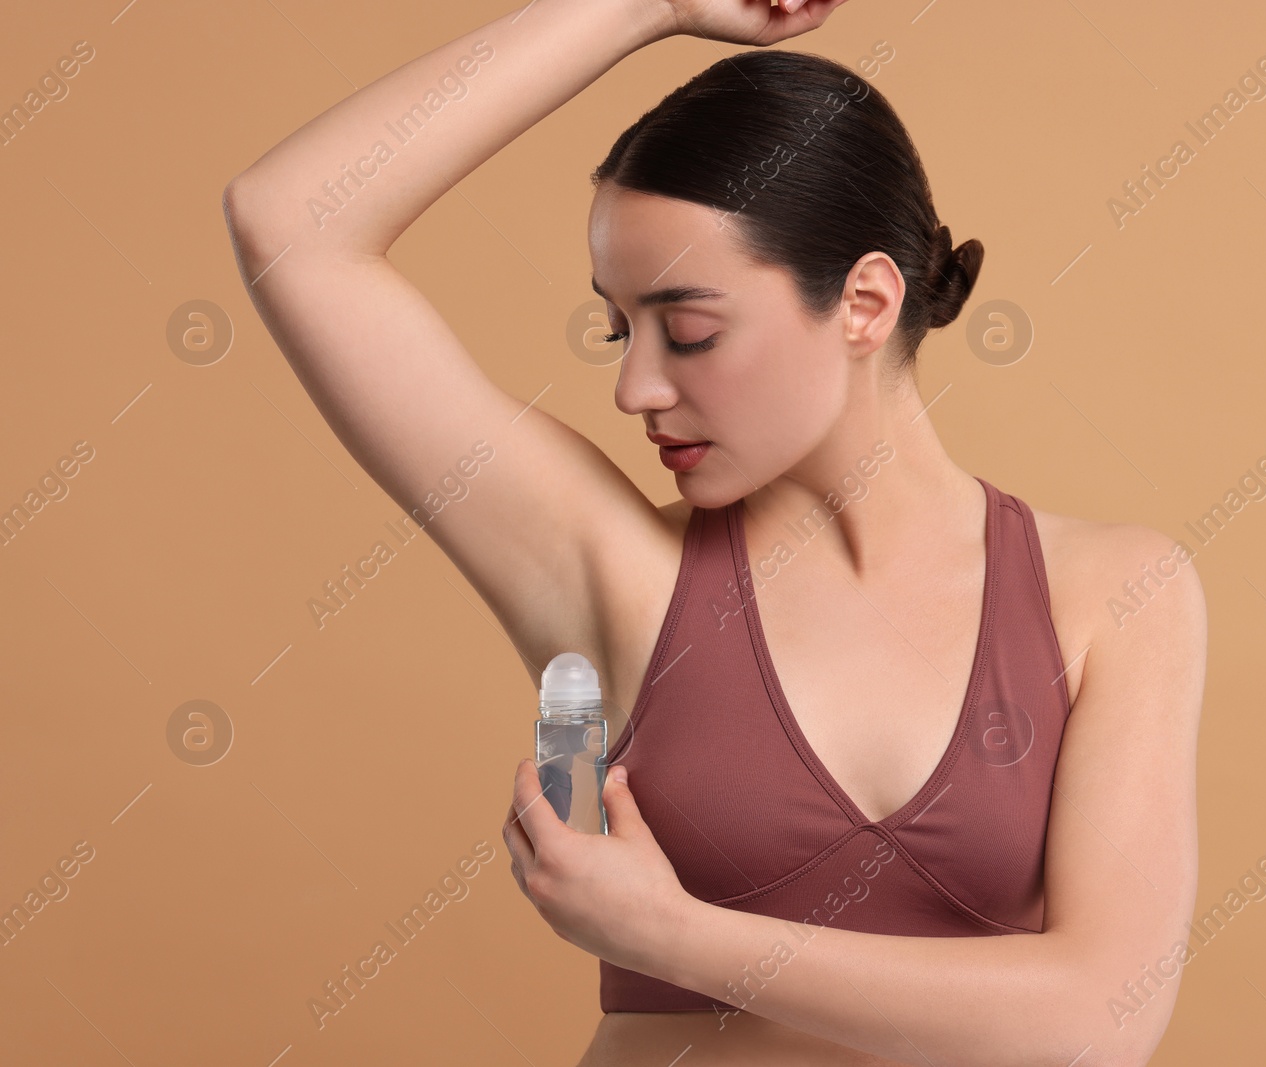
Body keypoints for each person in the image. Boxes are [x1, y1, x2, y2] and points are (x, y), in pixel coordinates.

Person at [222, 1, 1206, 1064]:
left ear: (865, 303)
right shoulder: (614, 570)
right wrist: (650, 5)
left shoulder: (1115, 590)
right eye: (617, 326)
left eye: (688, 331)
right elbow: (293, 223)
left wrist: (669, 935)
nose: (634, 385)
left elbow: (1098, 1017)